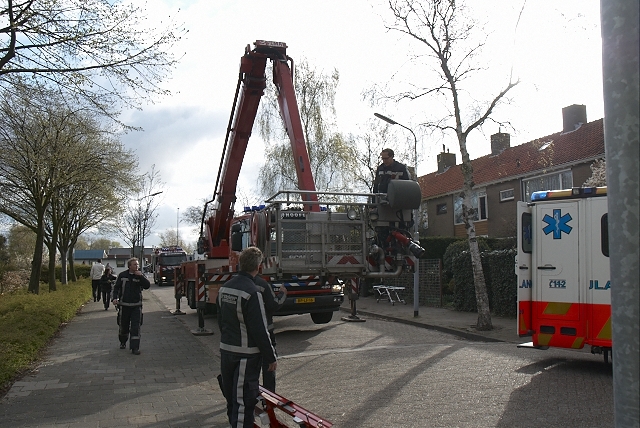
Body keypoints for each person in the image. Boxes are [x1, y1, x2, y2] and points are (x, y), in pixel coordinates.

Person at [217, 247, 277, 428]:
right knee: (244, 402)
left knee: (231, 398)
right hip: (247, 355)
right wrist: (270, 357)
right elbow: (260, 329)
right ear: (258, 267)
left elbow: (221, 321)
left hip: (227, 351)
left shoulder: (225, 288)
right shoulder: (252, 292)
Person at [253, 276, 287, 392]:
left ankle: (251, 395)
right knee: (269, 365)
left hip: (246, 336)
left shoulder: (232, 285)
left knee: (250, 369)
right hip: (266, 332)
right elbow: (274, 305)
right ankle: (269, 399)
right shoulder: (262, 285)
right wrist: (282, 294)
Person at [112, 257, 150, 355]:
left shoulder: (140, 276)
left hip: (136, 306)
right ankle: (123, 341)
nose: (137, 266)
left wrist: (141, 276)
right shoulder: (122, 275)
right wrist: (115, 298)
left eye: (137, 264)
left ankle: (135, 348)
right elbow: (116, 288)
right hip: (124, 306)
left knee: (135, 327)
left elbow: (147, 286)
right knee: (123, 326)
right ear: (129, 266)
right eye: (135, 264)